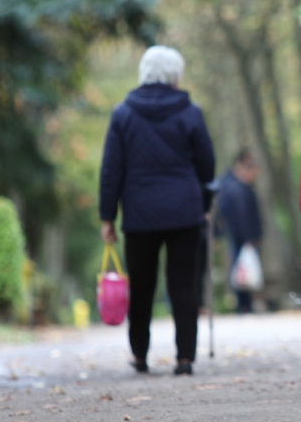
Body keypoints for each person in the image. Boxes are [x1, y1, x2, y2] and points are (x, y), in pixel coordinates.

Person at [99, 45, 216, 376]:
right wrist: (205, 204)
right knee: (184, 285)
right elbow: (207, 165)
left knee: (142, 286)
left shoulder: (123, 113)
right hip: (185, 212)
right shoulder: (190, 112)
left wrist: (108, 216)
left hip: (140, 214)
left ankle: (140, 355)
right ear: (175, 75)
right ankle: (185, 358)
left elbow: (111, 170)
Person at [215, 148, 265, 314]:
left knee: (243, 270)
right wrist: (249, 237)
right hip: (241, 236)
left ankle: (245, 304)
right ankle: (244, 305)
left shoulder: (232, 185)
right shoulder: (236, 188)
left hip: (238, 235)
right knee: (242, 271)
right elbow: (240, 215)